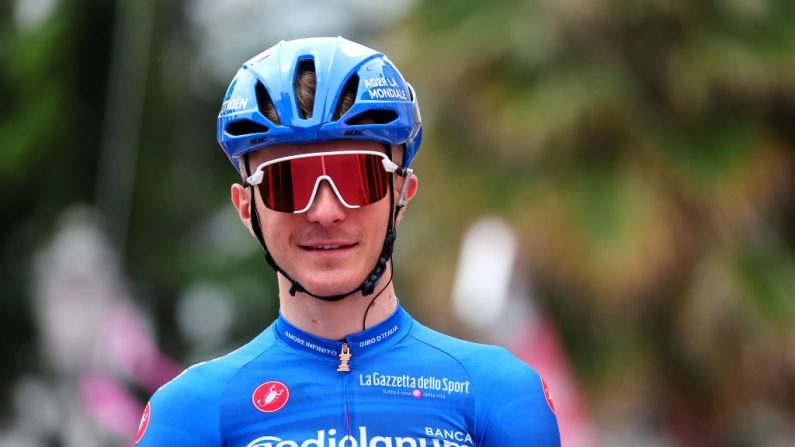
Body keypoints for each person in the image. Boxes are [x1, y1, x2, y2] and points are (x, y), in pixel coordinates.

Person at [135, 36, 560, 447]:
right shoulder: (190, 414)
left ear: (402, 194)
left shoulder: (500, 395)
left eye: (357, 179)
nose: (325, 212)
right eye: (288, 183)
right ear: (247, 207)